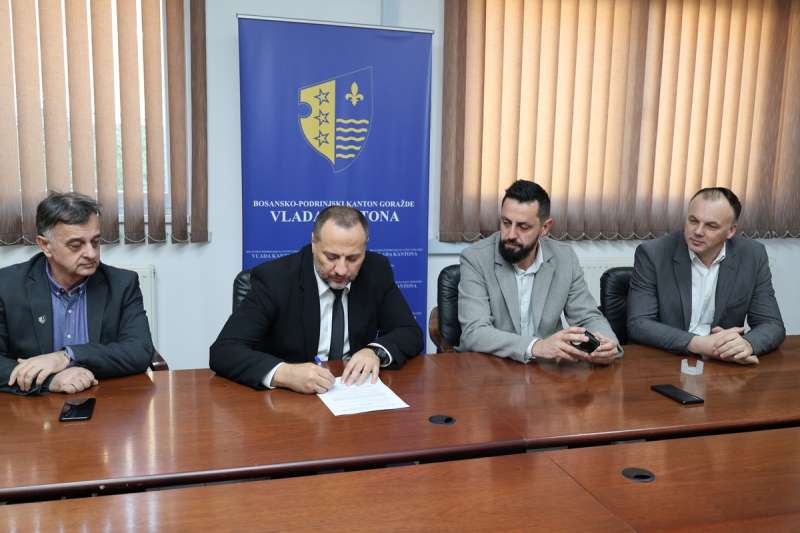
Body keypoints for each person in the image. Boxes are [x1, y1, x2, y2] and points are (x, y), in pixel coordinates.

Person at [210, 205, 423, 393]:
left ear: (365, 247)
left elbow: (410, 332)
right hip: (288, 401)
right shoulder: (275, 279)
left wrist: (374, 351)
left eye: (353, 258)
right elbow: (224, 351)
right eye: (331, 257)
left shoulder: (376, 270)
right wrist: (284, 373)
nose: (341, 270)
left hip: (353, 391)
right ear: (314, 242)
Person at [0, 192, 154, 395]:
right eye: (76, 245)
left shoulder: (122, 284)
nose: (91, 253)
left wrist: (67, 356)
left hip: (104, 399)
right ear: (45, 245)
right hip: (33, 405)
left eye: (95, 242)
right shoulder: (7, 286)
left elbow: (140, 351)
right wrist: (50, 381)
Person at [457, 180, 621, 364]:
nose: (510, 234)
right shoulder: (475, 258)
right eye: (506, 223)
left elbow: (587, 316)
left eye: (523, 227)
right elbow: (474, 332)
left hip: (546, 370)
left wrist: (607, 344)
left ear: (545, 228)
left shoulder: (564, 258)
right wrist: (536, 346)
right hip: (491, 367)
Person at [627, 187, 784, 364]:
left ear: (731, 231)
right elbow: (639, 324)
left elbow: (772, 324)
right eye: (693, 221)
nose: (698, 231)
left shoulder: (752, 255)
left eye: (711, 226)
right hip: (666, 359)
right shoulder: (653, 254)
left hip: (722, 363)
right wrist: (700, 344)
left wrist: (746, 344)